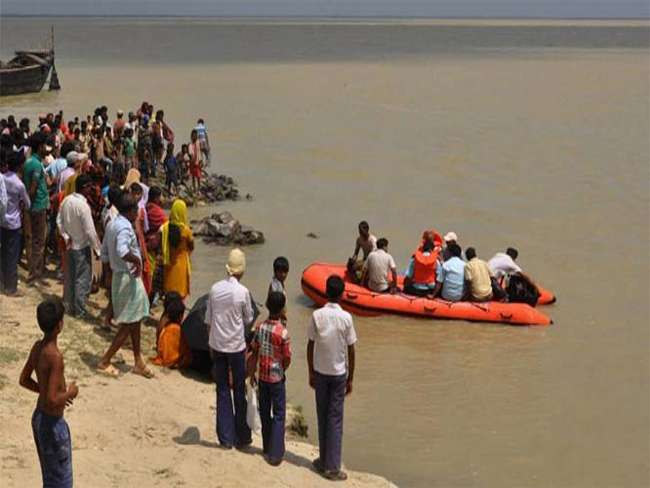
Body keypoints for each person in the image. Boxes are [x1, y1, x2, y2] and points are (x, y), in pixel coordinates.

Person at [19, 297, 78, 488]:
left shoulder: (38, 347)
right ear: (60, 325)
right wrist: (69, 393)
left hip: (39, 418)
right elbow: (53, 399)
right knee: (61, 480)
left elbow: (24, 379)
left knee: (50, 476)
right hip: (53, 425)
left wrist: (44, 392)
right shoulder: (55, 357)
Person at [97, 193, 153, 379]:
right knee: (129, 323)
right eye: (136, 209)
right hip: (127, 278)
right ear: (130, 211)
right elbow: (122, 250)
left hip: (119, 277)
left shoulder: (112, 224)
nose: (138, 212)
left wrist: (107, 274)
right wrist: (136, 260)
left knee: (135, 319)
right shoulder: (124, 228)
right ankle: (105, 359)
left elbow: (104, 252)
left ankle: (138, 360)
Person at [307, 275, 357, 481]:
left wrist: (310, 371)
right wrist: (351, 377)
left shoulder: (317, 315)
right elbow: (351, 349)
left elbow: (310, 345)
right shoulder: (346, 318)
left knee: (322, 415)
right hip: (338, 374)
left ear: (327, 292)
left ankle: (323, 459)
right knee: (335, 419)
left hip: (320, 371)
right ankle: (332, 467)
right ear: (342, 294)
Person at [205, 248, 254, 449]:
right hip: (236, 346)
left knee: (222, 390)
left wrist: (210, 342)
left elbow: (208, 320)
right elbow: (248, 319)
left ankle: (225, 438)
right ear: (241, 271)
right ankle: (242, 437)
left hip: (217, 345)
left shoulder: (215, 289)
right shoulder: (243, 293)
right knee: (239, 390)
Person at [249, 291, 291, 466]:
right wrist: (282, 369)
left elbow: (254, 351)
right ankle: (275, 453)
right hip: (277, 377)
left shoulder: (259, 327)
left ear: (267, 305)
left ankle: (266, 447)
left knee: (265, 412)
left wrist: (252, 374)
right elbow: (287, 357)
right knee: (279, 414)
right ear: (282, 309)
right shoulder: (283, 333)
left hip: (263, 377)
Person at [57, 174, 101, 318]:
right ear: (84, 187)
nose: (91, 188)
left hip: (70, 245)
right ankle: (80, 310)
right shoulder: (83, 206)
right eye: (89, 186)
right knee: (82, 279)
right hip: (81, 247)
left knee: (69, 277)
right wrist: (97, 250)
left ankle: (68, 306)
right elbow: (90, 231)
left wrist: (65, 236)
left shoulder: (66, 200)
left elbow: (59, 221)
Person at [23, 132, 52, 286]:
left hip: (33, 207)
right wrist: (30, 205)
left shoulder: (29, 162)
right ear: (40, 147)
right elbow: (33, 188)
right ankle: (35, 275)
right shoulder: (35, 165)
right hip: (38, 207)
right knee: (39, 242)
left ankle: (35, 272)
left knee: (35, 241)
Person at [0, 152, 30, 296]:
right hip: (14, 223)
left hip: (2, 220)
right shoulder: (19, 184)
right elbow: (28, 203)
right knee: (12, 256)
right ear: (19, 166)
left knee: (3, 252)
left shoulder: (2, 178)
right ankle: (11, 288)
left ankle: (2, 282)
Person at [161, 199, 194, 299]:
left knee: (169, 293)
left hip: (169, 265)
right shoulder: (186, 231)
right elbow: (192, 246)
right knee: (180, 296)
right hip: (182, 265)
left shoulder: (165, 228)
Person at [151, 296, 190, 368]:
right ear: (180, 316)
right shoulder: (177, 329)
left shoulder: (166, 326)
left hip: (162, 357)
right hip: (171, 361)